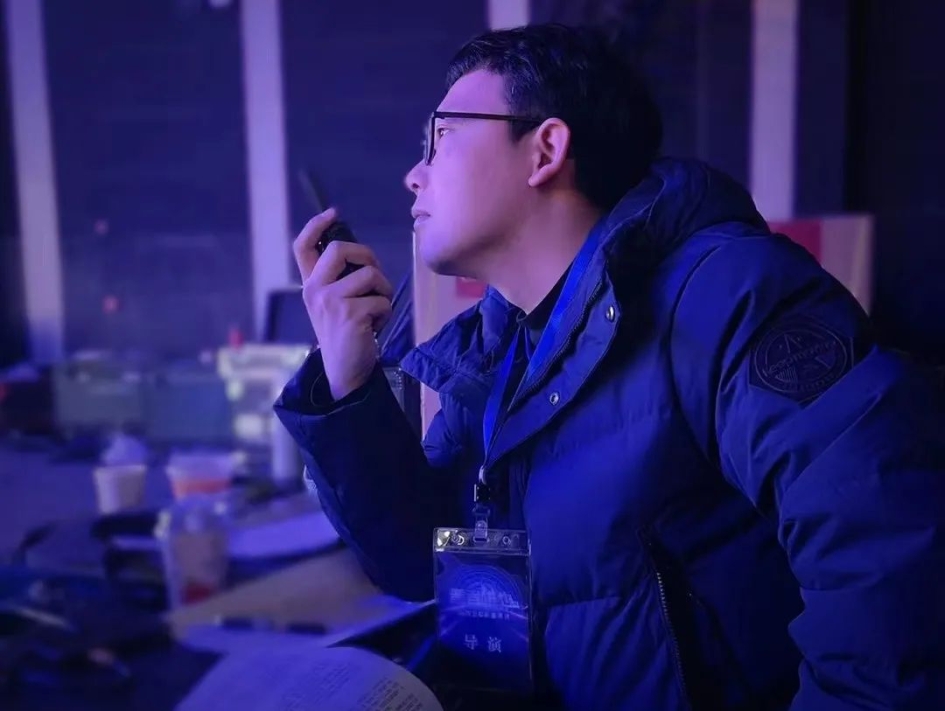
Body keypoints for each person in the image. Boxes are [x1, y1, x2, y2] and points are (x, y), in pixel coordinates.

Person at [274, 23, 945, 711]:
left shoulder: (731, 294)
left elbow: (889, 577)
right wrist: (347, 381)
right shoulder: (490, 356)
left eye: (441, 138)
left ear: (545, 149)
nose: (413, 174)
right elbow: (418, 561)